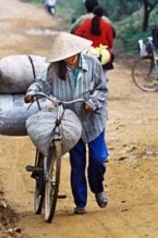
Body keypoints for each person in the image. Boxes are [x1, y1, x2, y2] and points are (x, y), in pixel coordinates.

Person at [24, 32, 109, 215]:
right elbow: (40, 84)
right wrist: (31, 92)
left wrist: (92, 103)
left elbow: (102, 89)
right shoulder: (54, 68)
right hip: (70, 121)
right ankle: (80, 203)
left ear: (76, 52)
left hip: (94, 119)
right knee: (77, 162)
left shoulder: (93, 64)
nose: (67, 58)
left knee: (98, 159)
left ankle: (98, 188)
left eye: (69, 54)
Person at [74, 5, 114, 71]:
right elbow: (110, 41)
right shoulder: (107, 25)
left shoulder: (86, 23)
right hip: (102, 54)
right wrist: (108, 48)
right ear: (102, 15)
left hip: (88, 51)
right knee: (109, 59)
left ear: (93, 13)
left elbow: (77, 34)